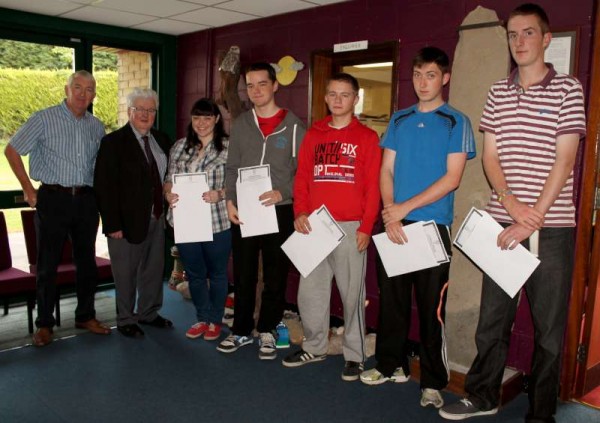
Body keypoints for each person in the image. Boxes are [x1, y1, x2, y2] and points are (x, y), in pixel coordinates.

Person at [439, 4, 586, 421]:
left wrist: (532, 216)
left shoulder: (568, 89)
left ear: (545, 39)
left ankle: (541, 414)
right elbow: (490, 157)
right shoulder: (498, 92)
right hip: (502, 221)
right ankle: (482, 396)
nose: (520, 41)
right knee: (493, 320)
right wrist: (511, 205)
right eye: (513, 34)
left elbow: (565, 160)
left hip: (551, 229)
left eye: (528, 33)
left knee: (550, 334)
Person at [359, 47, 476, 407]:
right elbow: (386, 170)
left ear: (445, 78)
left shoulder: (456, 121)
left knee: (430, 309)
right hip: (395, 222)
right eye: (417, 75)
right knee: (391, 301)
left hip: (431, 227)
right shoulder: (399, 119)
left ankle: (432, 382)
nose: (423, 82)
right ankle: (389, 364)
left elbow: (453, 178)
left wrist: (403, 208)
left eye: (430, 75)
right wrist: (391, 212)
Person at [282, 73, 382, 381]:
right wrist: (299, 212)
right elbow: (301, 180)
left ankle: (355, 355)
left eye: (345, 94)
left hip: (352, 227)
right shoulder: (313, 134)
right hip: (315, 225)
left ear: (355, 99)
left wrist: (366, 226)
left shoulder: (367, 137)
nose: (338, 100)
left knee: (352, 294)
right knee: (310, 291)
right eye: (333, 94)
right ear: (326, 98)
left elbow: (372, 187)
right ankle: (315, 345)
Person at [5, 70, 110, 346]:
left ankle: (85, 315)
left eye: (89, 90)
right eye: (77, 87)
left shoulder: (96, 127)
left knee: (87, 262)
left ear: (94, 95)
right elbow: (12, 150)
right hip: (52, 199)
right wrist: (29, 189)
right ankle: (44, 325)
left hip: (86, 201)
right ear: (67, 89)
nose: (82, 94)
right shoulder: (43, 119)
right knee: (47, 265)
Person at [218, 62, 306, 360]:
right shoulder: (242, 124)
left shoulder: (295, 126)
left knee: (275, 275)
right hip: (245, 209)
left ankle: (267, 329)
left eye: (262, 84)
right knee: (243, 274)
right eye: (250, 85)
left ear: (275, 86)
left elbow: (304, 173)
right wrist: (230, 200)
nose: (255, 91)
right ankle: (241, 330)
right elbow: (231, 168)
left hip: (279, 210)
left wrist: (284, 191)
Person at [94, 88, 173, 338]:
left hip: (157, 219)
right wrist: (112, 224)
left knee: (153, 269)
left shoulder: (162, 140)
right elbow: (104, 186)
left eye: (150, 110)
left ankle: (148, 313)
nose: (145, 114)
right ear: (129, 111)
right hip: (125, 223)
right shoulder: (113, 142)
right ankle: (126, 318)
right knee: (125, 273)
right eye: (139, 109)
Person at [164, 98, 230, 342]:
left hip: (217, 221)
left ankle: (215, 320)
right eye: (196, 118)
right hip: (185, 220)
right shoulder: (180, 147)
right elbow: (169, 179)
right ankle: (202, 317)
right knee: (194, 273)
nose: (201, 123)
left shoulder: (228, 147)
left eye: (207, 118)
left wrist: (220, 194)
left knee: (218, 273)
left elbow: (236, 184)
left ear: (216, 119)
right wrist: (168, 193)